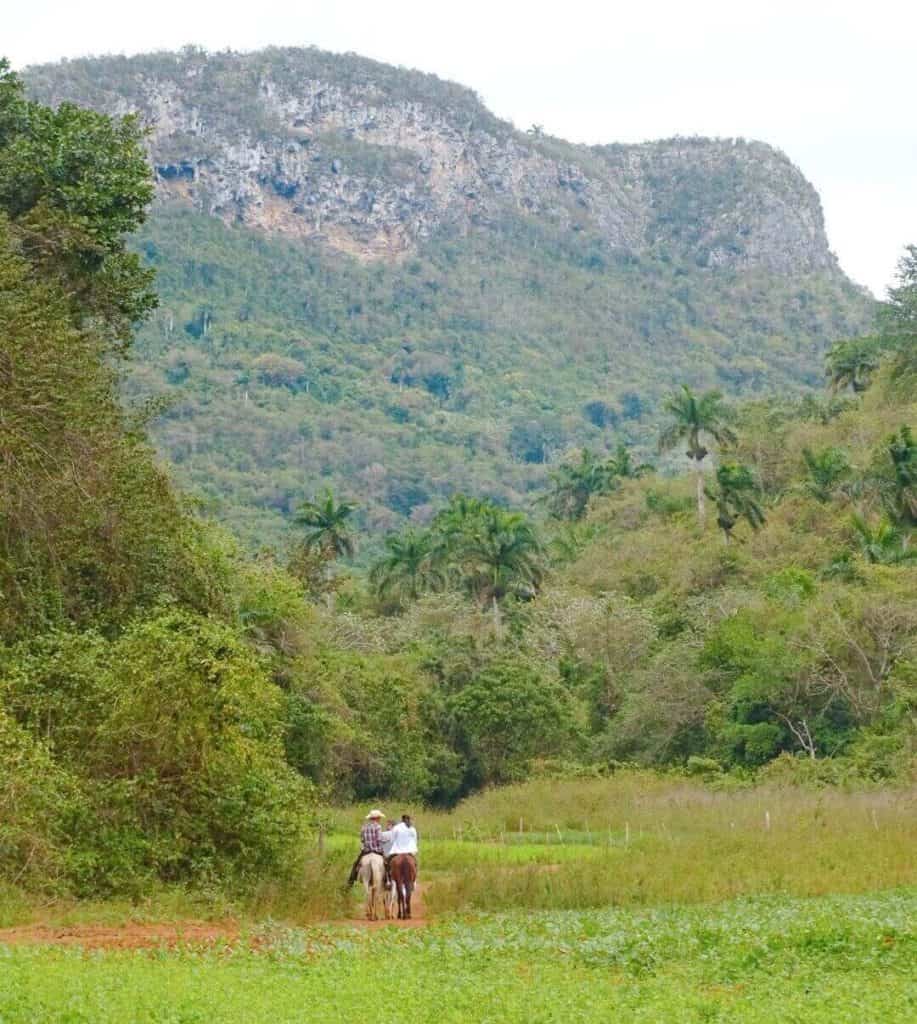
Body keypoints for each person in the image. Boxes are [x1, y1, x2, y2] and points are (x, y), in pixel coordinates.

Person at [346, 808, 388, 888]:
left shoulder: (364, 827)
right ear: (377, 818)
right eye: (379, 818)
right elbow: (379, 839)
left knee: (355, 864)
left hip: (366, 851)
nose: (380, 819)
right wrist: (386, 839)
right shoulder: (378, 826)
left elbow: (362, 839)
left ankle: (350, 882)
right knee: (387, 864)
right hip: (377, 850)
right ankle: (388, 880)